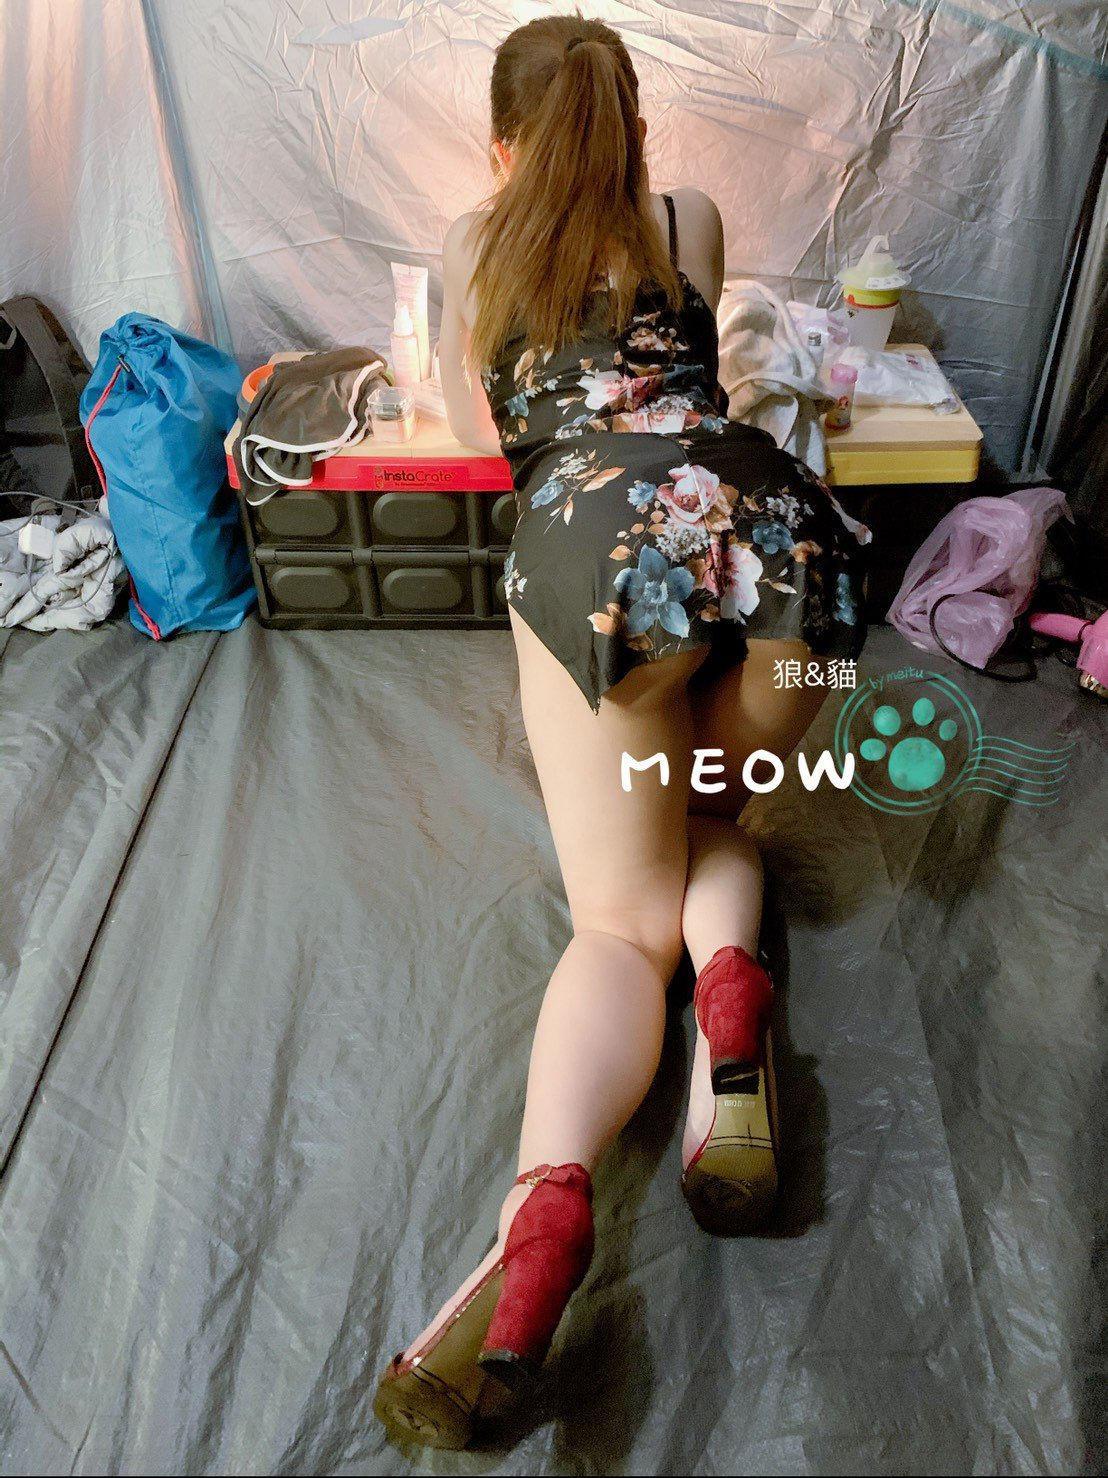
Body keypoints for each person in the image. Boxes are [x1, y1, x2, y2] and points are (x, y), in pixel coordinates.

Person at [374, 11, 867, 1450]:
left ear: (502, 148)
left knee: (616, 920)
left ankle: (546, 1208)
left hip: (607, 563)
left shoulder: (474, 245)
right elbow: (702, 375)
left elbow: (491, 434)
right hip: (783, 550)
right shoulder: (688, 217)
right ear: (638, 128)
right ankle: (733, 1000)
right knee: (714, 809)